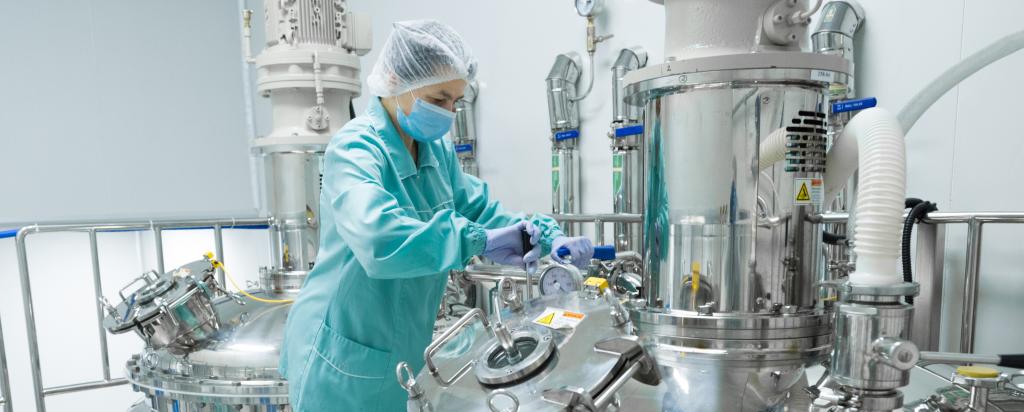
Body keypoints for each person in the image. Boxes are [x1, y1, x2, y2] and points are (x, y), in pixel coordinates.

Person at [279, 20, 594, 411]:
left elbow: (482, 210)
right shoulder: (354, 149)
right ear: (396, 80)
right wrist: (473, 241)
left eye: (455, 102)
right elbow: (379, 239)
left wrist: (548, 237)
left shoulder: (435, 152)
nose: (448, 112)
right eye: (439, 98)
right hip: (341, 354)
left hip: (400, 348)